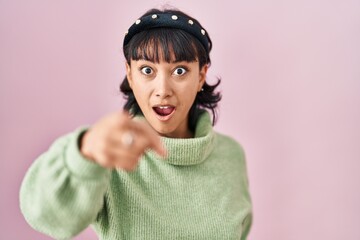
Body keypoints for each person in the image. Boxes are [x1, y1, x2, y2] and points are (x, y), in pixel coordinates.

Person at [20, 7, 252, 240]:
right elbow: (45, 215)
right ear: (130, 74)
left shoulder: (230, 155)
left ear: (201, 75)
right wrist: (84, 153)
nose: (163, 90)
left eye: (180, 71)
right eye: (147, 70)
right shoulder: (111, 156)